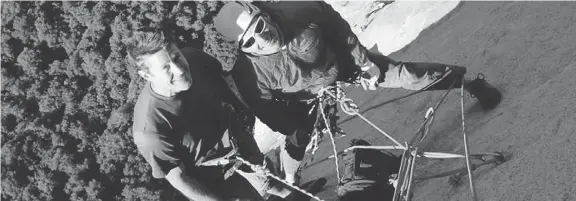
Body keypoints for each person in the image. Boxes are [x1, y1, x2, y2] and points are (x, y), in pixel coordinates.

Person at [213, 1, 502, 186]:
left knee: (407, 75)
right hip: (306, 96)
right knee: (296, 139)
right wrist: (298, 124)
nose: (261, 38)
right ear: (243, 47)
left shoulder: (301, 10)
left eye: (260, 26)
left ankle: (469, 83)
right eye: (250, 39)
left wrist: (365, 64)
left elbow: (339, 29)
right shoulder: (248, 73)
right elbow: (267, 110)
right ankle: (291, 182)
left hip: (345, 64)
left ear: (264, 14)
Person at [126, 28, 293, 201]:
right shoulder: (150, 129)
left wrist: (245, 118)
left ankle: (290, 195)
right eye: (166, 68)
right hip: (210, 175)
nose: (179, 70)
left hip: (234, 137)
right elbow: (179, 177)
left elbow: (226, 85)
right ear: (146, 75)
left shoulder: (195, 59)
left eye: (176, 57)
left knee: (269, 179)